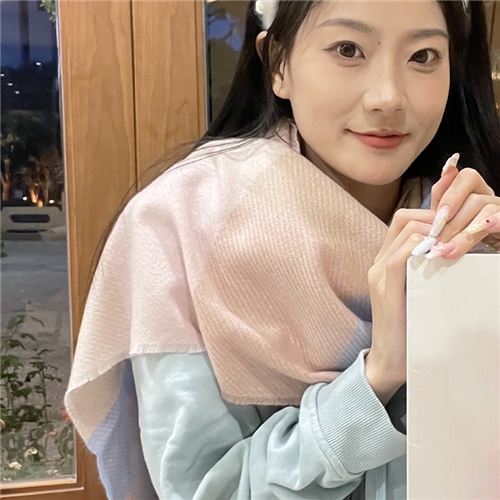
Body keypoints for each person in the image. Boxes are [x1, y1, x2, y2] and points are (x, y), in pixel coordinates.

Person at [66, 1, 500, 499]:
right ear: (277, 64)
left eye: (423, 56)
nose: (388, 97)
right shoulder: (183, 224)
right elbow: (207, 491)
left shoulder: (473, 223)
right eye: (348, 49)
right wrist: (376, 377)